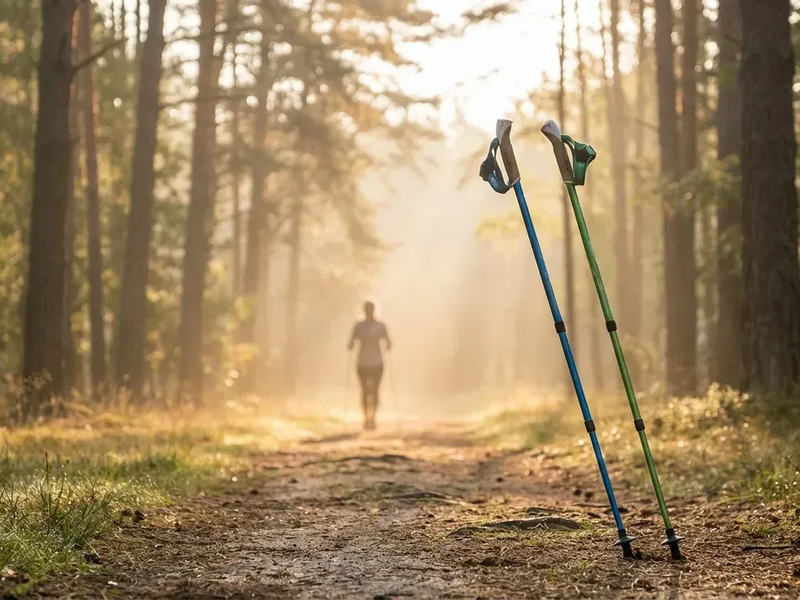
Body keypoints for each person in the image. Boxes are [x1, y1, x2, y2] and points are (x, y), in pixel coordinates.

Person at [347, 300, 391, 430]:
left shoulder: (380, 326)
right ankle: (366, 417)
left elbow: (389, 342)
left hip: (377, 362)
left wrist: (387, 345)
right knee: (365, 390)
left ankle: (373, 417)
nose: (369, 312)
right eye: (367, 309)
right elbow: (350, 342)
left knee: (375, 390)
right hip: (363, 362)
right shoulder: (359, 326)